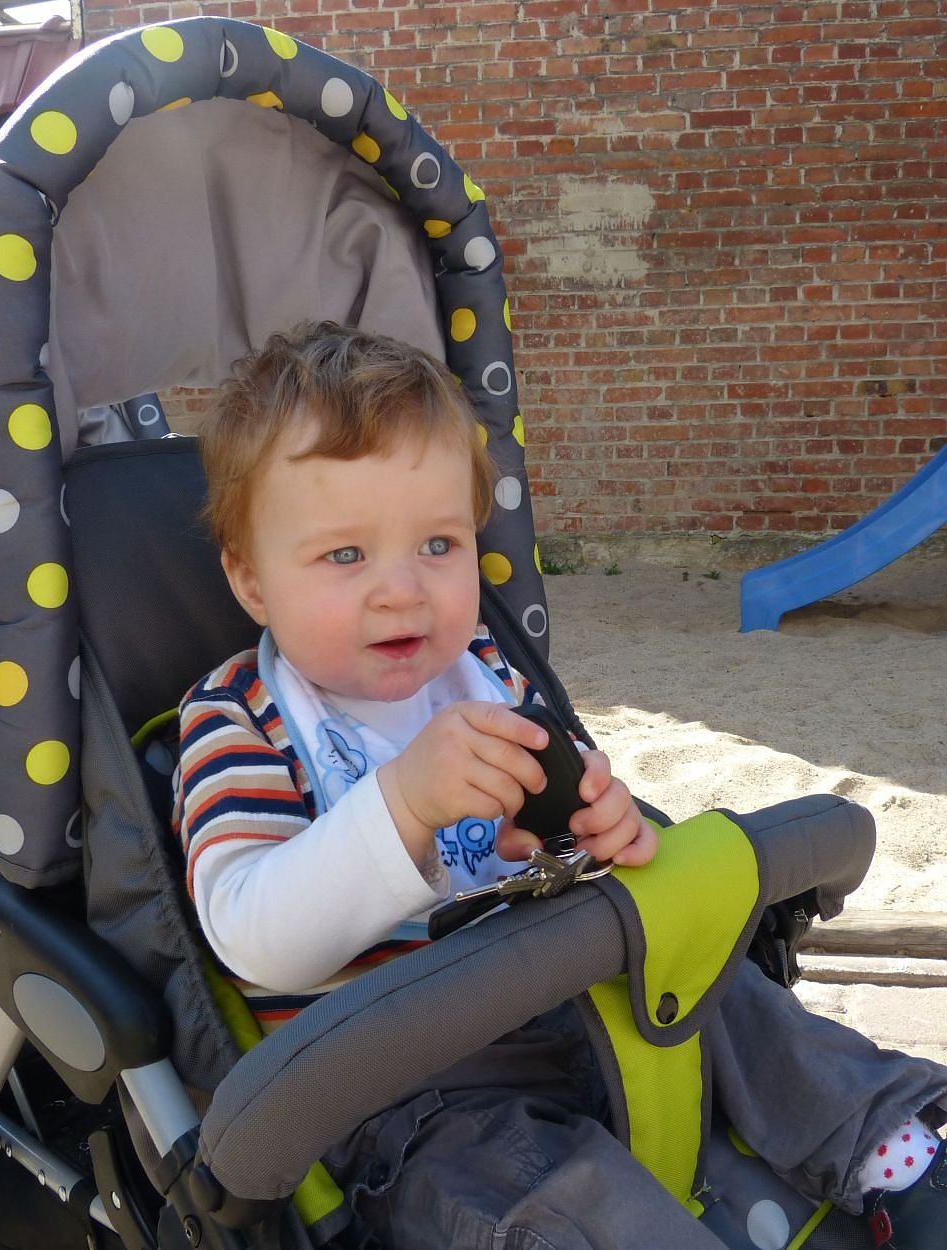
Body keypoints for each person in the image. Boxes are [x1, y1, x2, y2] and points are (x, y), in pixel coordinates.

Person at [173, 322, 947, 1249]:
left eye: (438, 544)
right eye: (346, 556)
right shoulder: (242, 723)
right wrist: (404, 806)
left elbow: (579, 823)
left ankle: (894, 1152)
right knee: (530, 1193)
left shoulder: (485, 674)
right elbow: (252, 936)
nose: (402, 590)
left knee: (728, 992)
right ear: (252, 581)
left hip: (573, 994)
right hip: (410, 1088)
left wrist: (602, 825)